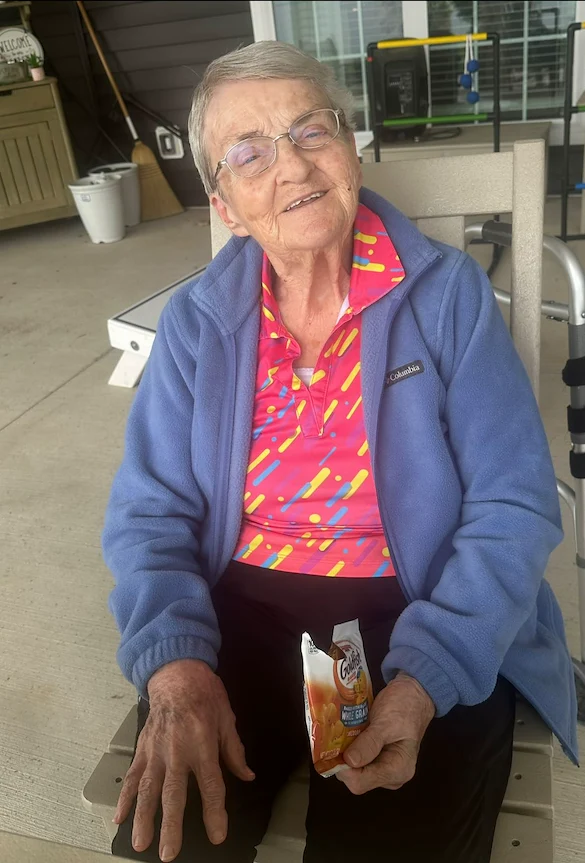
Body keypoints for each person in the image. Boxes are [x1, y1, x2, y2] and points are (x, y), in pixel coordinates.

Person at [103, 41, 577, 863]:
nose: (290, 167)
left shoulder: (447, 295)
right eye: (248, 152)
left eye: (309, 131)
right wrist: (176, 666)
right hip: (239, 609)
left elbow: (513, 503)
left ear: (349, 144)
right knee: (173, 847)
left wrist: (429, 677)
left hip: (421, 606)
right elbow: (151, 513)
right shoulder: (196, 324)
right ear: (224, 199)